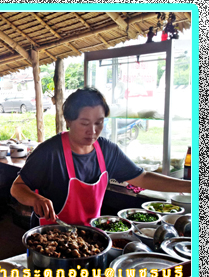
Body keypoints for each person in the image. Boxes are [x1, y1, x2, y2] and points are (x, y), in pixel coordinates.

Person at [10, 87, 191, 228]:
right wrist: (35, 200)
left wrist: (190, 187)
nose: (93, 130)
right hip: (49, 235)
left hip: (90, 235)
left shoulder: (107, 150)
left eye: (99, 122)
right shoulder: (49, 152)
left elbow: (142, 178)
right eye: (84, 123)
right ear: (68, 121)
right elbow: (17, 188)